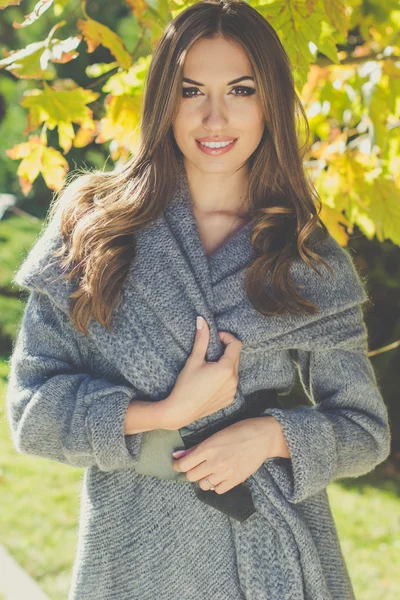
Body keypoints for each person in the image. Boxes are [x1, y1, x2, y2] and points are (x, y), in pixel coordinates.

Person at [6, 1, 391, 599]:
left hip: (269, 557)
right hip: (130, 553)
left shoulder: (307, 259)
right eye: (192, 91)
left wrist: (269, 436)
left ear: (271, 103)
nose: (215, 117)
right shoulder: (93, 230)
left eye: (240, 89)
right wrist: (163, 414)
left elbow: (365, 432)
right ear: (164, 99)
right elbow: (32, 413)